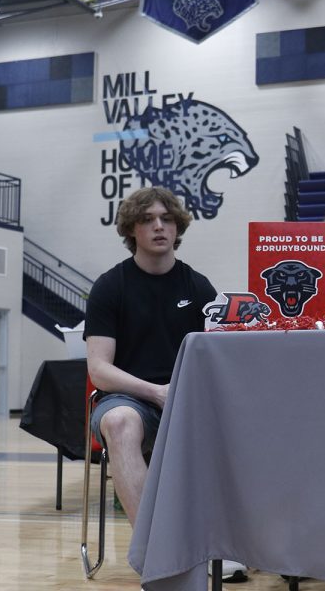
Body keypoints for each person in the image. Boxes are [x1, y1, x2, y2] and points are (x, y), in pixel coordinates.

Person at [84, 187, 247, 583]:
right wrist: (156, 391)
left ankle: (221, 546)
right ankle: (159, 552)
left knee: (243, 423)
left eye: (167, 219)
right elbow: (100, 369)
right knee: (121, 422)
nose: (159, 226)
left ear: (177, 227)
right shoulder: (110, 287)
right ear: (131, 230)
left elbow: (217, 358)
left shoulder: (199, 288)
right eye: (147, 220)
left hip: (187, 400)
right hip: (127, 399)